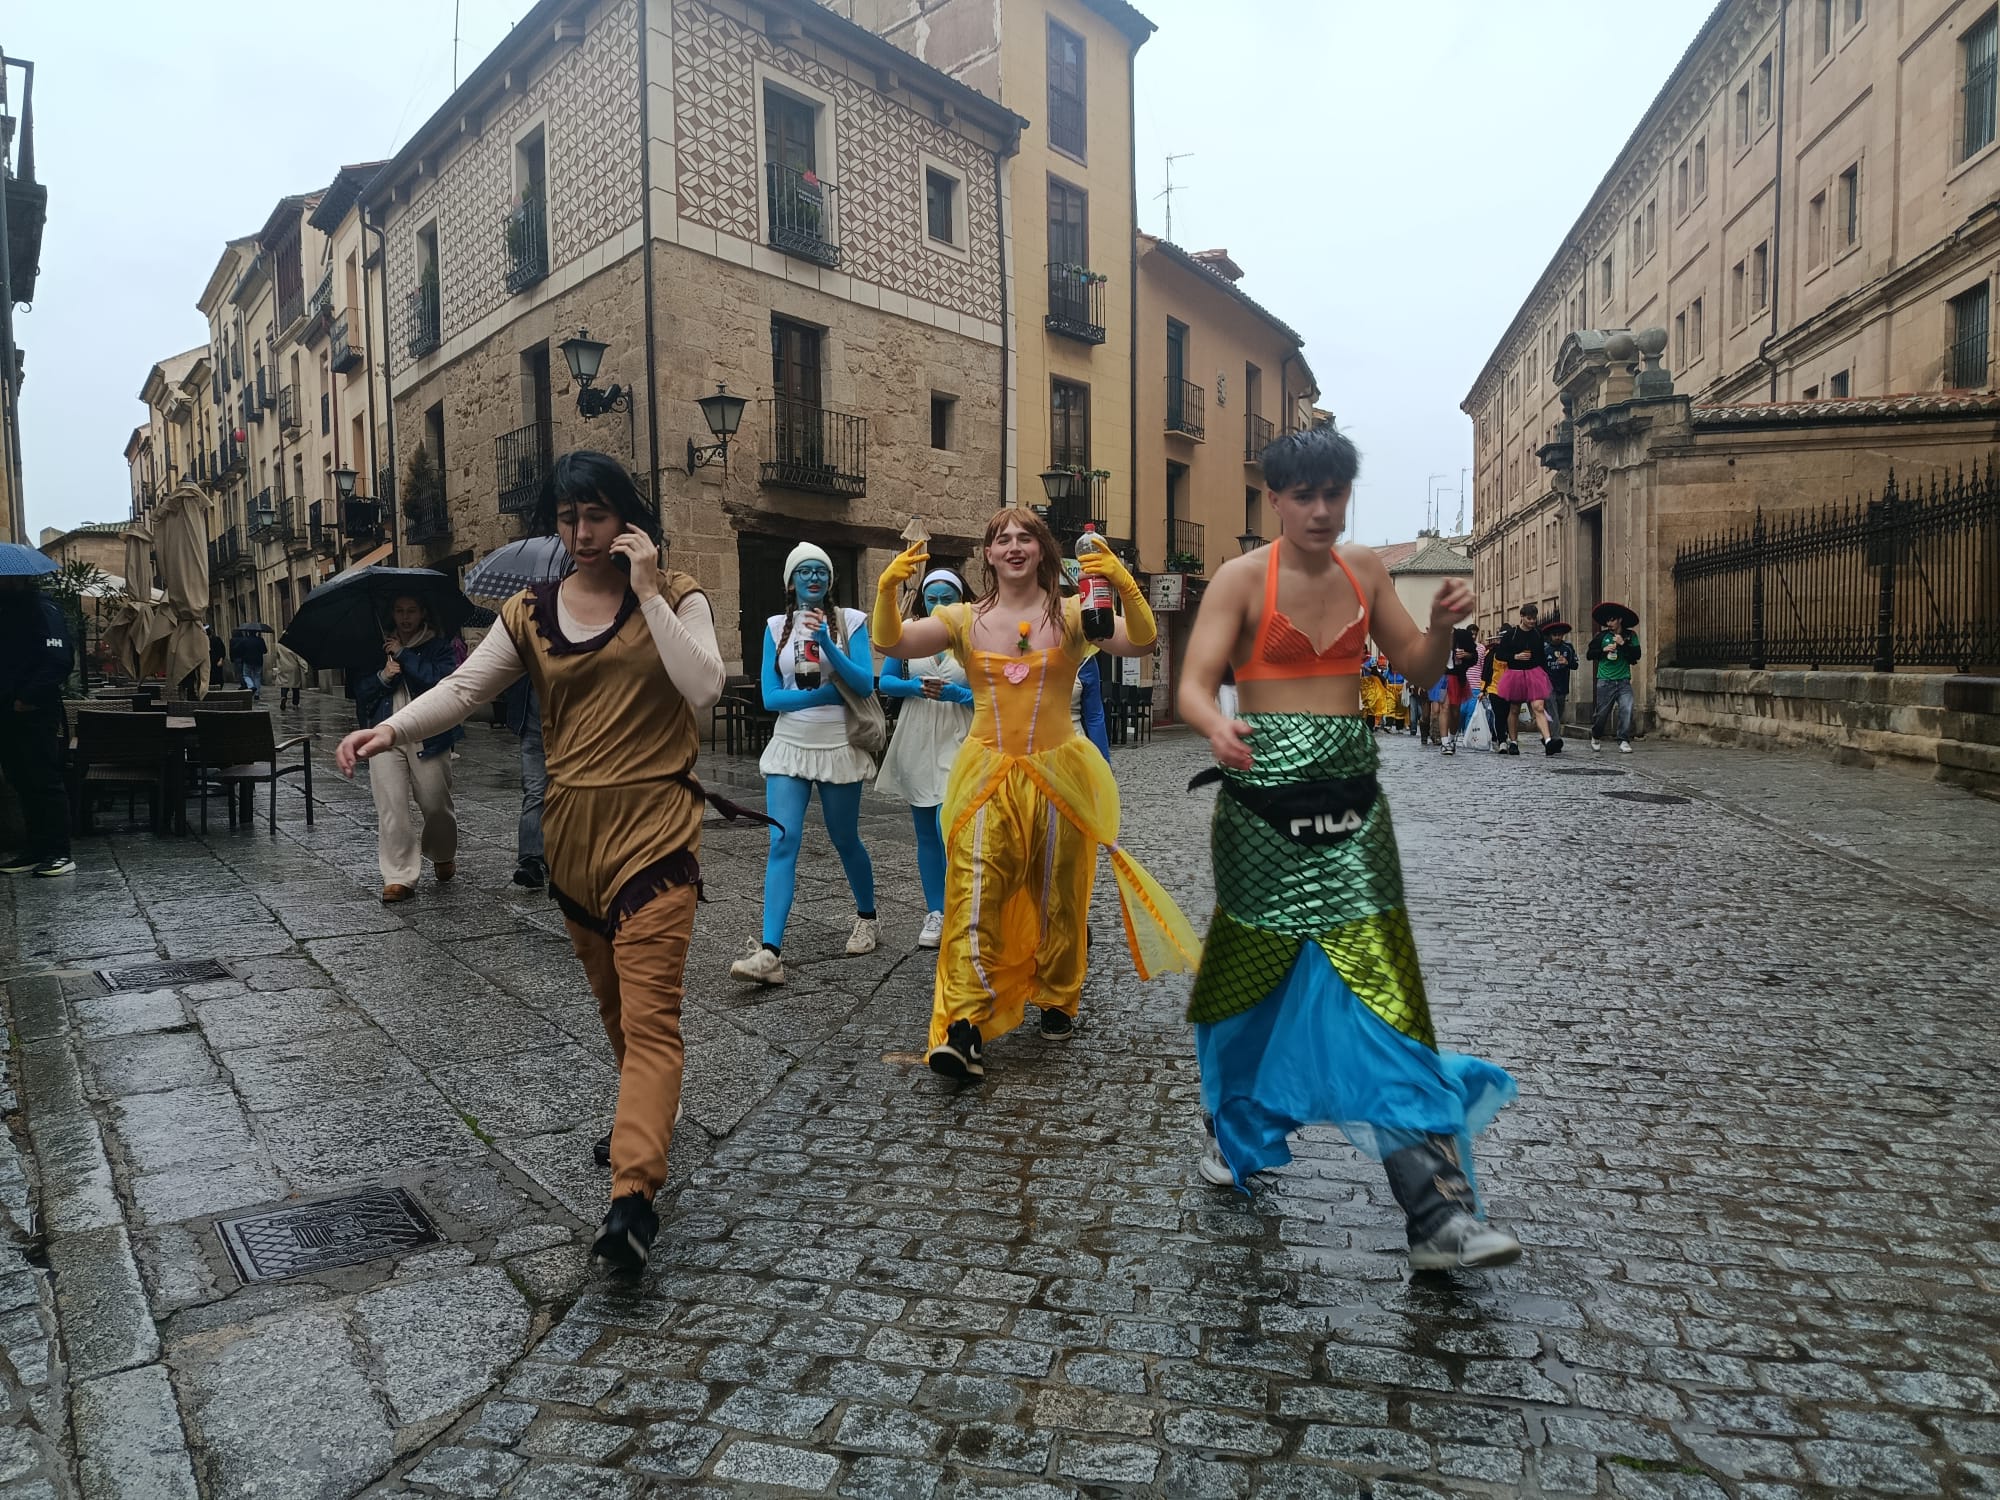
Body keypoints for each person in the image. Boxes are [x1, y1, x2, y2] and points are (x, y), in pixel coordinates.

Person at [336, 450, 732, 1273]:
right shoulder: (529, 612)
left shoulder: (678, 594)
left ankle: (632, 1196)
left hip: (656, 829)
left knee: (652, 1016)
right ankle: (641, 1119)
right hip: (571, 835)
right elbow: (466, 689)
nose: (581, 534)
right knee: (617, 1009)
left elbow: (704, 689)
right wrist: (391, 729)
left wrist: (649, 592)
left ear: (627, 519)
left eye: (596, 516)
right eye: (567, 518)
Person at [1174, 426, 1520, 1271]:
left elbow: (1419, 670)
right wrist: (1217, 724)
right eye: (1305, 496)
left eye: (1335, 494)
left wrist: (1441, 629)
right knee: (1249, 981)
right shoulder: (1241, 578)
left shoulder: (1364, 570)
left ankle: (1437, 1212)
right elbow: (1193, 684)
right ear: (1275, 500)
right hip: (1260, 811)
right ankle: (1231, 1119)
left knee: (1385, 991)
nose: (1323, 511)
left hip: (1353, 808)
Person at [870, 507, 1199, 1081]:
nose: (1014, 546)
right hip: (986, 776)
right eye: (1002, 539)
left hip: (1057, 774)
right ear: (989, 554)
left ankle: (1056, 996)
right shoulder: (962, 618)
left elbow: (1142, 641)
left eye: (1026, 537)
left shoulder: (1076, 614)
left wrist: (1122, 582)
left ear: (1043, 550)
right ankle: (964, 1025)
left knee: (1060, 894)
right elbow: (891, 640)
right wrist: (886, 589)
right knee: (973, 892)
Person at [730, 544, 880, 986]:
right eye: (804, 572)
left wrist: (827, 645)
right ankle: (770, 952)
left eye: (820, 572)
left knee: (845, 837)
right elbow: (771, 697)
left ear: (829, 580)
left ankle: (868, 918)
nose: (813, 578)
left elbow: (862, 683)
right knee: (783, 839)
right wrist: (823, 695)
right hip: (790, 744)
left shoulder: (851, 621)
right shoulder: (776, 627)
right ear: (791, 582)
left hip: (838, 743)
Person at [876, 569, 975, 949]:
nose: (938, 606)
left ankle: (962, 906)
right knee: (925, 832)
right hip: (918, 733)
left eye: (947, 598)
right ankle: (936, 910)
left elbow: (991, 690)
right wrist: (914, 686)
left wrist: (959, 695)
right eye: (932, 598)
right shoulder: (910, 630)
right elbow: (886, 680)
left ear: (961, 599)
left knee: (947, 823)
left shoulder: (973, 633)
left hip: (960, 732)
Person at [351, 596, 463, 902]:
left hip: (429, 734)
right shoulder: (376, 648)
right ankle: (398, 876)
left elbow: (442, 683)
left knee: (435, 802)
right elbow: (361, 692)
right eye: (399, 611)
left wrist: (405, 656)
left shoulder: (439, 647)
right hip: (384, 735)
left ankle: (442, 852)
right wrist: (383, 677)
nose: (405, 617)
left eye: (411, 610)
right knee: (391, 806)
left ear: (423, 612)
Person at [0, 581, 76, 878]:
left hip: (33, 710)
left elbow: (58, 660)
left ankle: (59, 852)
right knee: (21, 779)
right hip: (8, 710)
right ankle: (36, 848)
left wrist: (27, 698)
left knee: (43, 779)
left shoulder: (42, 608)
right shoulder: (9, 609)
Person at [1493, 603, 1560, 755]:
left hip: (1534, 673)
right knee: (1515, 709)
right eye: (1529, 618)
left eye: (1534, 618)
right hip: (1515, 674)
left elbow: (1541, 657)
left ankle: (1548, 741)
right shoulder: (1511, 634)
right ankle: (1513, 741)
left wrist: (1544, 675)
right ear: (1522, 617)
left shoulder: (1538, 634)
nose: (1532, 621)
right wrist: (1515, 656)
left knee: (1538, 707)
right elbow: (1499, 655)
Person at [508, 682, 548, 889]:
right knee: (534, 791)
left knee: (569, 793)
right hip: (533, 725)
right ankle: (531, 861)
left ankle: (547, 858)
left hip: (574, 729)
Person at [1588, 602, 1642, 753]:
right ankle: (1596, 735)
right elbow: (1589, 654)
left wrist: (1623, 644)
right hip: (1605, 681)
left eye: (1612, 620)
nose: (1609, 623)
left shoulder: (1630, 636)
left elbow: (1636, 655)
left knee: (1627, 708)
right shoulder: (1601, 636)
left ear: (1620, 620)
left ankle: (1623, 740)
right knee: (1602, 714)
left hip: (1624, 680)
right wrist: (1603, 650)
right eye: (1607, 621)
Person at [1441, 625, 1477, 755]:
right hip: (1441, 676)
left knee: (1455, 711)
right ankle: (1444, 742)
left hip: (1457, 677)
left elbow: (1474, 657)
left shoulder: (1463, 635)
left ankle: (1451, 739)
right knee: (1444, 707)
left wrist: (1466, 655)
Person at [1542, 620, 1578, 739]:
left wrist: (1567, 663)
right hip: (1548, 685)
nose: (1557, 637)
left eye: (1560, 635)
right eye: (1555, 635)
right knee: (1552, 710)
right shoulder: (1545, 649)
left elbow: (1575, 665)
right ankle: (1555, 738)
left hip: (1562, 684)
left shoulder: (1568, 648)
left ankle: (1547, 733)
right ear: (1550, 636)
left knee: (1559, 710)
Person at [270, 640, 309, 709]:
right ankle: (295, 703)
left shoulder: (279, 645)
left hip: (283, 667)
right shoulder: (294, 644)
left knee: (284, 684)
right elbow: (299, 657)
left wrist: (279, 666)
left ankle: (283, 696)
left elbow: (277, 656)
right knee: (295, 686)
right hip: (293, 668)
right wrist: (305, 668)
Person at [232, 627, 268, 697]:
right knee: (257, 676)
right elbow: (265, 651)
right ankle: (257, 694)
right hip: (258, 661)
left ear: (248, 632)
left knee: (246, 675)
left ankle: (251, 686)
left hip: (247, 660)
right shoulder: (260, 640)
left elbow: (238, 649)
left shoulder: (245, 640)